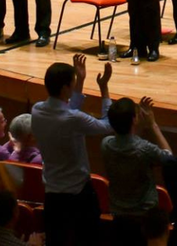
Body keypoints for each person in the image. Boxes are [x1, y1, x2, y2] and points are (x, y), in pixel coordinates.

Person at [33, 56, 114, 246]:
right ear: (64, 89)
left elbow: (66, 110)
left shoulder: (37, 110)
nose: (75, 84)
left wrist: (81, 80)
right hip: (79, 197)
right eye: (73, 83)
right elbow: (108, 125)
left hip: (52, 196)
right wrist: (104, 88)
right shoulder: (73, 119)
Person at [101, 97, 173, 246]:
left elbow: (129, 141)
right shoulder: (145, 149)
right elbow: (169, 158)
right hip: (145, 221)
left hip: (119, 217)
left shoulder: (106, 144)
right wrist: (152, 124)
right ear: (134, 119)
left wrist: (136, 122)